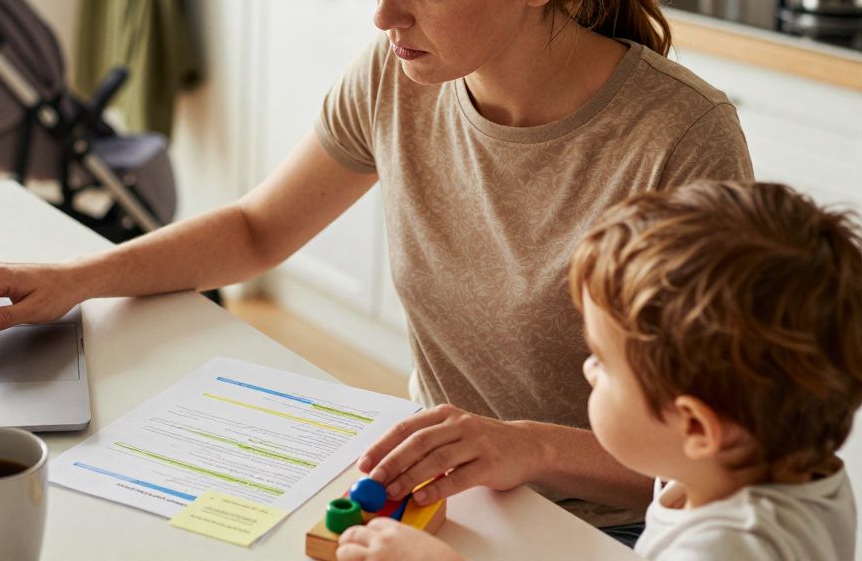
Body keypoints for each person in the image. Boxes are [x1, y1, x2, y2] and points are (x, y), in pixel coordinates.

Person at [0, 0, 753, 543]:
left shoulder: (677, 139)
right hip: (441, 500)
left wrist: (524, 446)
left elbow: (723, 456)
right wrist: (79, 278)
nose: (384, 15)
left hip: (610, 531)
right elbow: (254, 231)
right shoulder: (400, 77)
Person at [336, 180, 862, 560]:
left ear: (697, 427)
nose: (588, 371)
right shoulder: (768, 470)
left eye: (604, 363)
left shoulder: (729, 547)